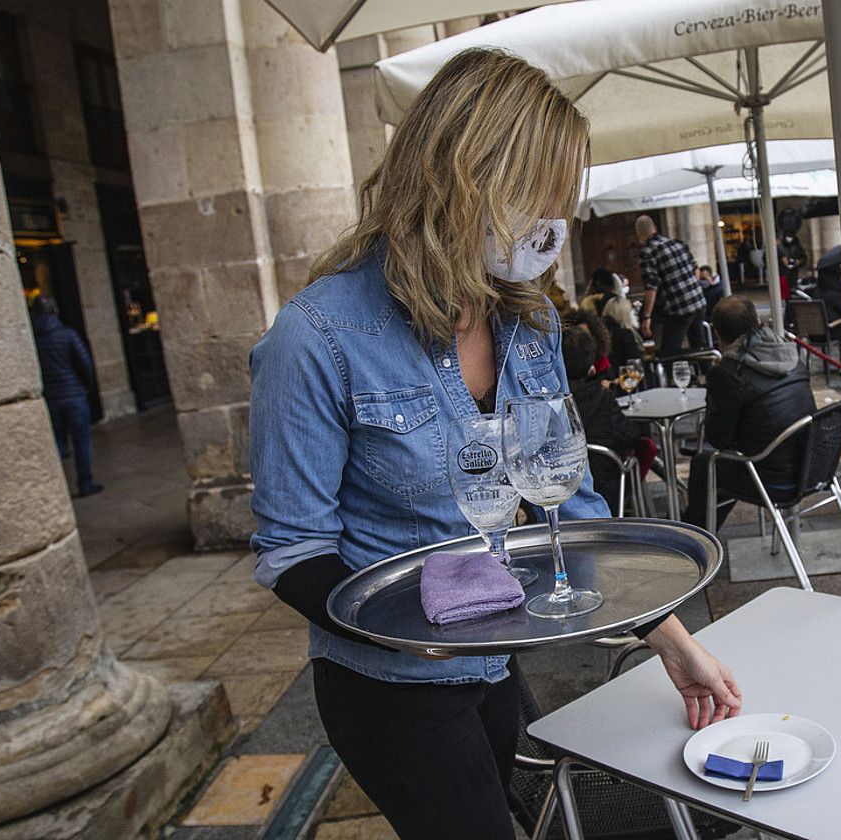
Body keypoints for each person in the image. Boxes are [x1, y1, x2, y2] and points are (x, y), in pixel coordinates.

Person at [247, 50, 740, 840]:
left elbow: (569, 503)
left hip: (499, 660)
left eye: (561, 202)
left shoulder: (531, 320)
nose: (555, 224)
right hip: (389, 685)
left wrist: (671, 640)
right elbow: (290, 551)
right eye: (538, 199)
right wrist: (421, 630)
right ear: (461, 179)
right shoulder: (318, 337)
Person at [682, 295, 815, 530]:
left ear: (718, 334)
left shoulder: (729, 372)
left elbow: (718, 438)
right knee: (722, 466)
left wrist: (715, 391)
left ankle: (695, 539)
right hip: (813, 466)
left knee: (705, 464)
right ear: (757, 321)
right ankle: (701, 532)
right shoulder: (791, 354)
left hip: (773, 480)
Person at [561, 327, 656, 515]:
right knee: (645, 447)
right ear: (592, 366)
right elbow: (629, 436)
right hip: (603, 485)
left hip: (562, 486)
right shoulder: (601, 398)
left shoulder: (549, 401)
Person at [29, 296, 103, 497]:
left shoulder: (32, 341)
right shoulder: (67, 335)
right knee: (81, 441)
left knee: (57, 445)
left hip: (51, 399)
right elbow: (84, 363)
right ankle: (85, 483)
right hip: (73, 396)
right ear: (54, 311)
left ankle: (56, 491)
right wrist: (86, 386)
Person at [636, 215, 708, 353]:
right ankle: (706, 371)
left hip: (679, 306)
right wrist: (692, 288)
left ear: (640, 235)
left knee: (670, 351)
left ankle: (674, 373)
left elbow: (651, 287)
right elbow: (696, 269)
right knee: (700, 346)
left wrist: (646, 317)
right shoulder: (677, 243)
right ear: (655, 229)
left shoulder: (648, 252)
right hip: (698, 301)